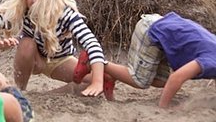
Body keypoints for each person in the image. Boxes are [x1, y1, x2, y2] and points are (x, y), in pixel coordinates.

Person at [0, 0, 114, 100]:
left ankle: (45, 96)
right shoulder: (22, 12)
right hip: (35, 60)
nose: (34, 0)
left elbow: (92, 43)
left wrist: (97, 81)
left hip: (61, 61)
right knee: (27, 43)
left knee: (101, 78)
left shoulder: (65, 14)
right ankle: (20, 91)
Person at [85, 12, 216, 108]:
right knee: (140, 81)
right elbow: (177, 78)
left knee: (162, 82)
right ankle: (97, 62)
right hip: (151, 31)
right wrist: (163, 108)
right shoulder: (211, 61)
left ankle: (110, 74)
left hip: (164, 31)